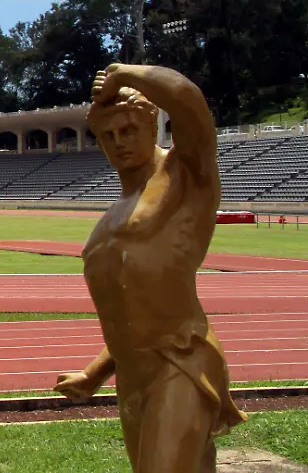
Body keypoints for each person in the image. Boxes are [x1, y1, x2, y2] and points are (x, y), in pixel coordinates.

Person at [54, 64, 246, 472]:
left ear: (153, 125)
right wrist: (92, 375)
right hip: (132, 378)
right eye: (108, 135)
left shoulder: (185, 174)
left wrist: (123, 74)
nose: (118, 142)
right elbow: (133, 314)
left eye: (128, 131)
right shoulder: (110, 219)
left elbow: (189, 102)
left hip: (180, 360)